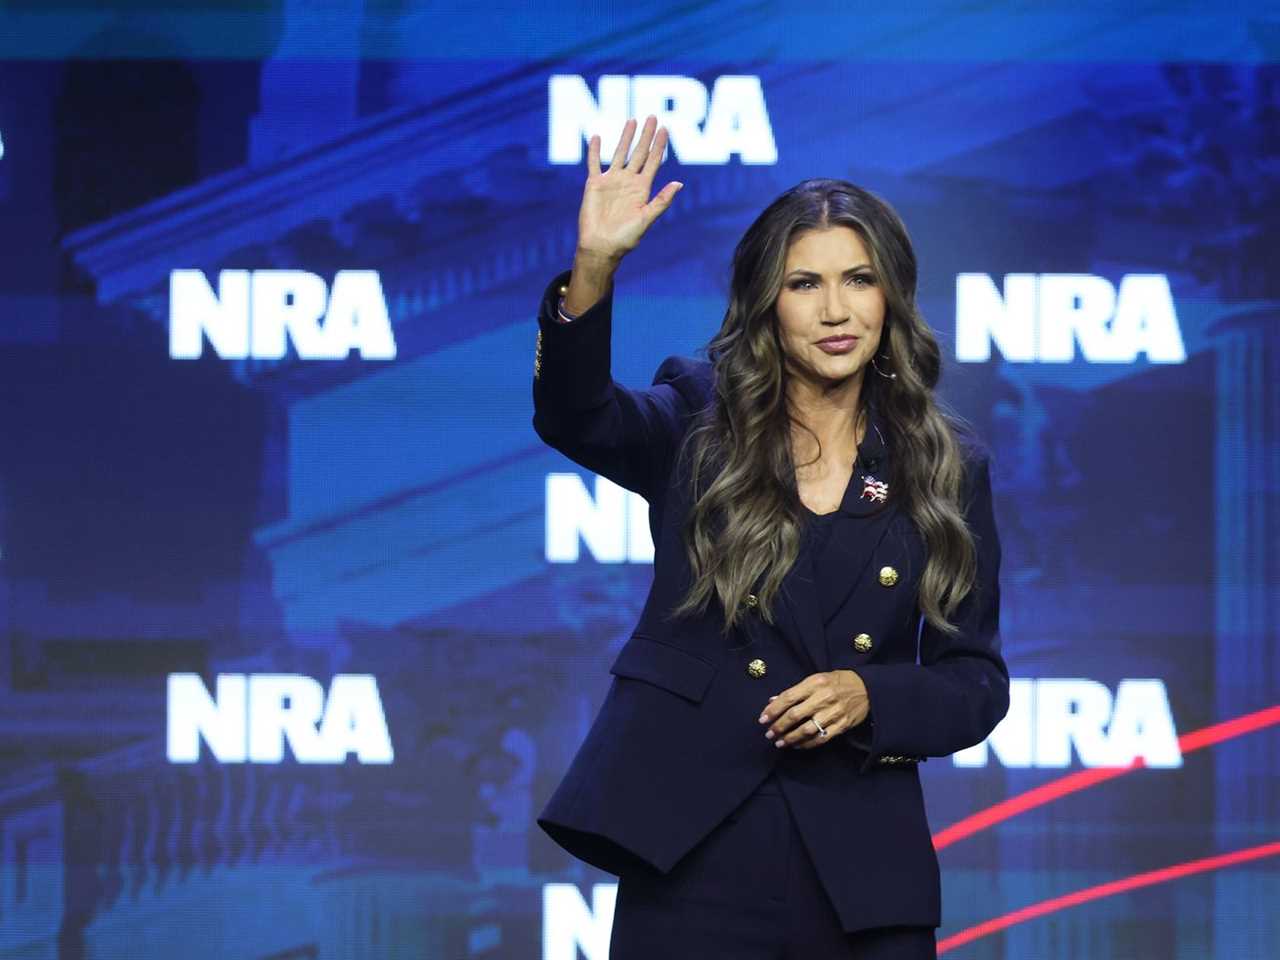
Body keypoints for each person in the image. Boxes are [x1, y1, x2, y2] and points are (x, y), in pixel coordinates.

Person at [531, 115, 1009, 959]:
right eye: (804, 284)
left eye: (858, 280)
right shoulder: (696, 425)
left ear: (890, 296)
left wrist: (873, 697)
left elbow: (976, 681)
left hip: (863, 869)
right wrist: (595, 268)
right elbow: (576, 415)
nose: (836, 310)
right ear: (766, 302)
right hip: (692, 852)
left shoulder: (944, 466)